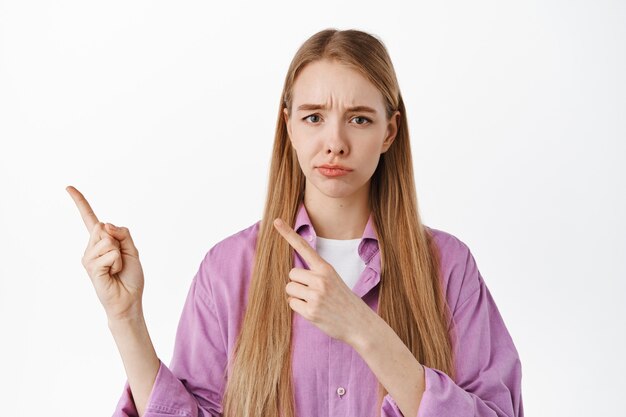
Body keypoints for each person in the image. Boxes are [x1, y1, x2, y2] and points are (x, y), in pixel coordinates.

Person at [67, 28, 524, 417]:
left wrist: (365, 332)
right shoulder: (228, 268)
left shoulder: (448, 266)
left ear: (389, 131)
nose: (335, 143)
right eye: (313, 117)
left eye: (360, 119)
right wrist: (124, 317)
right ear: (288, 126)